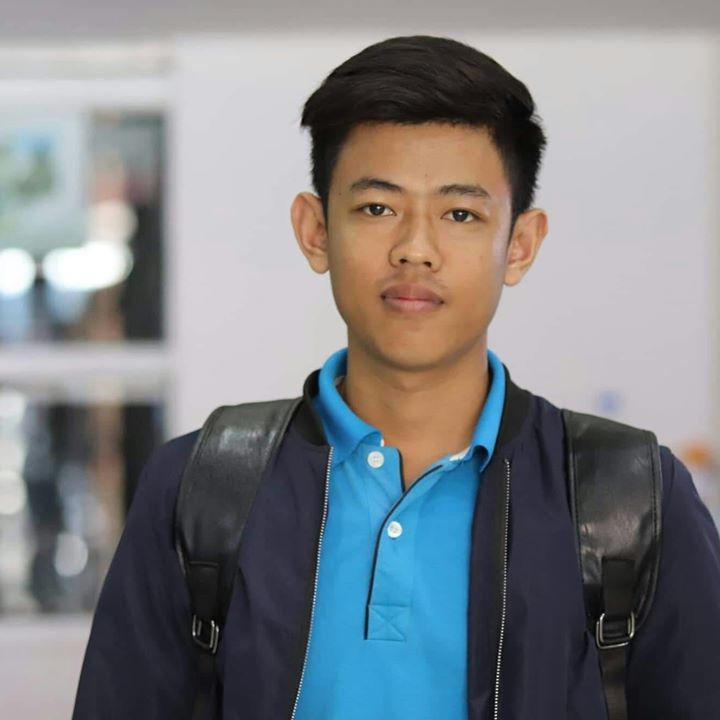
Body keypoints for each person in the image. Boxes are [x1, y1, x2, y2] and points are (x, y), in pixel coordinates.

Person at [72, 35, 720, 720]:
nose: (415, 249)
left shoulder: (631, 498)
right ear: (316, 230)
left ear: (520, 245)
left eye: (461, 214)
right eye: (378, 208)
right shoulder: (199, 488)